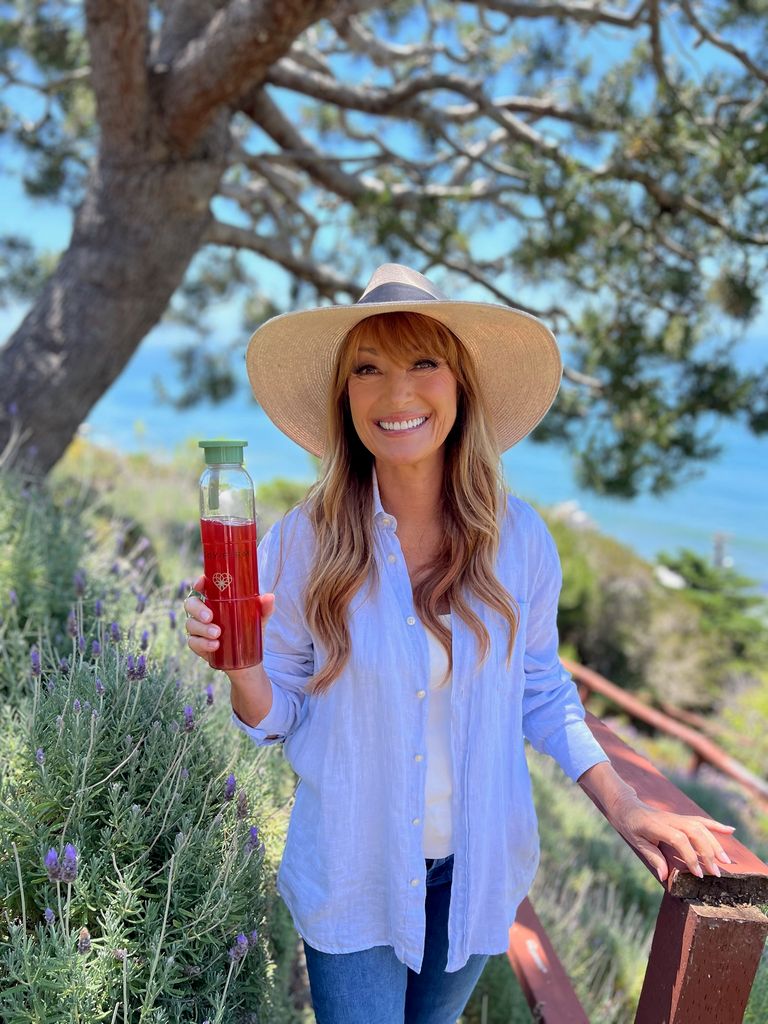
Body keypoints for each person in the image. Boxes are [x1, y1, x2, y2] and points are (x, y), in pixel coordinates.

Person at [184, 264, 734, 1024]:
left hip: (479, 873)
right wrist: (240, 664)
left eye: (423, 362)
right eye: (367, 369)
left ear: (460, 384)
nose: (395, 392)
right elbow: (274, 716)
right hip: (354, 869)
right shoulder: (302, 542)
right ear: (345, 397)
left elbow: (541, 690)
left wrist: (629, 806)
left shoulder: (522, 539)